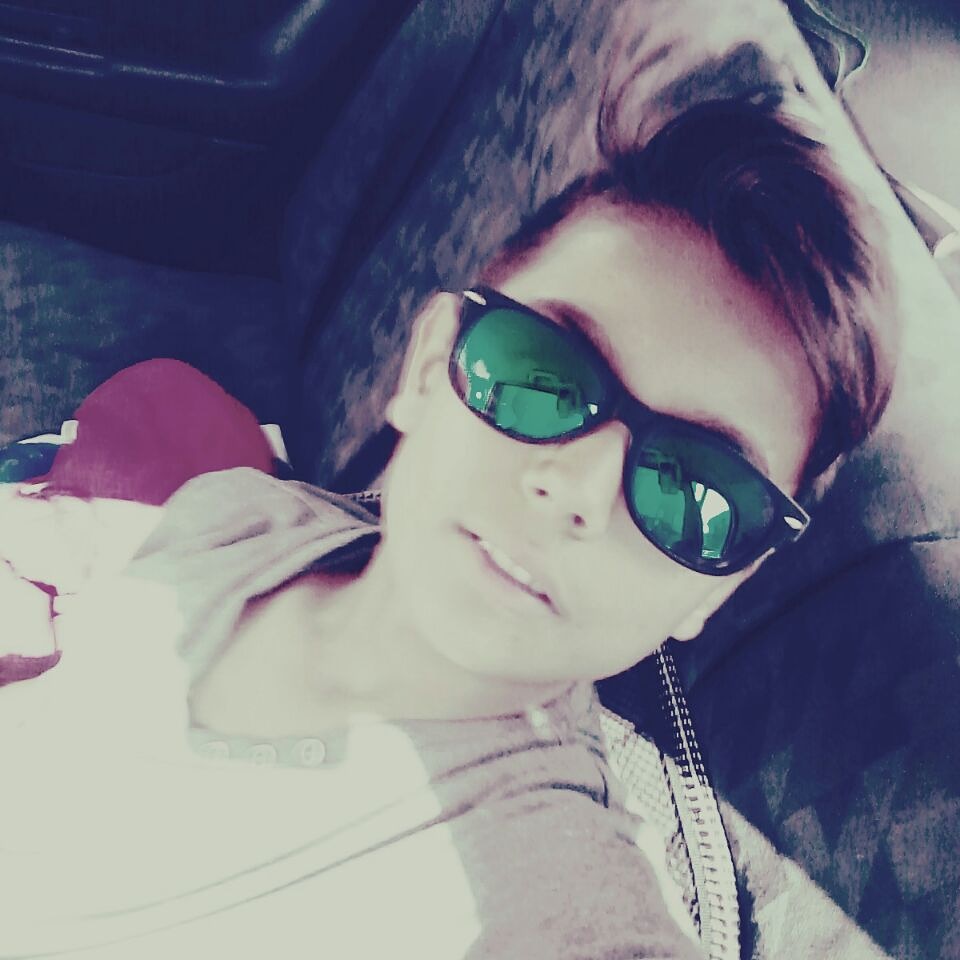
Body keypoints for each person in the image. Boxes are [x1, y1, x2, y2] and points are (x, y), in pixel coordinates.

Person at [0, 92, 895, 960]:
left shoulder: (539, 886)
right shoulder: (239, 514)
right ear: (431, 367)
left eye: (697, 490)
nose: (574, 487)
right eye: (543, 372)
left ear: (718, 588)